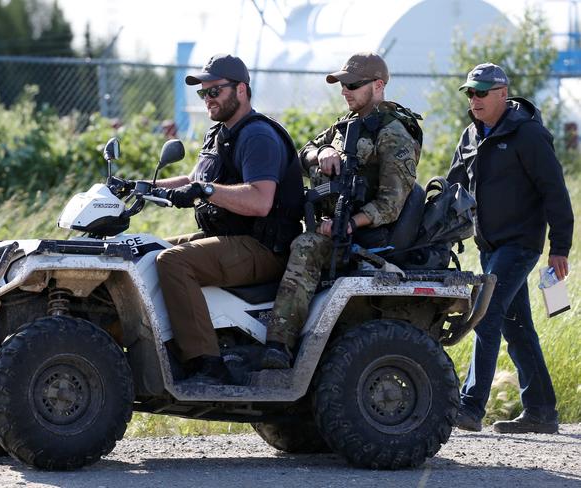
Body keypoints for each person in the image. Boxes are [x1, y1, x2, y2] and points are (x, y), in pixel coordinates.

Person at [260, 52, 422, 369]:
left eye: (352, 84)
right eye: (342, 84)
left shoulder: (393, 134)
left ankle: (278, 345)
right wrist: (324, 150)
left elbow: (391, 203)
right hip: (330, 226)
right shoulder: (345, 126)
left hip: (364, 237)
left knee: (305, 247)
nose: (344, 91)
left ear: (378, 85)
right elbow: (301, 154)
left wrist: (347, 224)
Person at [154, 54, 304, 385]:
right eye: (202, 93)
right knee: (148, 252)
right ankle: (162, 348)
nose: (208, 99)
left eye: (215, 91)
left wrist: (204, 190)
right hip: (230, 239)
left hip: (263, 246)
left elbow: (260, 200)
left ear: (241, 90)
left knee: (172, 263)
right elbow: (192, 179)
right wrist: (142, 187)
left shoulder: (257, 136)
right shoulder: (220, 133)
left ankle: (206, 365)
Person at [447, 62, 574, 434]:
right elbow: (455, 188)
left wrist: (560, 247)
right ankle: (541, 411)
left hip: (520, 244)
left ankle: (470, 407)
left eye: (482, 92)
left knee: (485, 314)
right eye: (470, 92)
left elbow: (555, 192)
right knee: (516, 327)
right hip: (489, 245)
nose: (475, 99)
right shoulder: (470, 135)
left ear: (503, 93)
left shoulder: (529, 134)